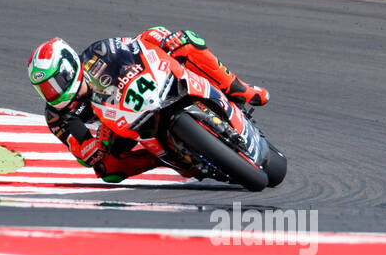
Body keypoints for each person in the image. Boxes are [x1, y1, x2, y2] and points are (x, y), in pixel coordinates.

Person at [27, 27, 269, 182]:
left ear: (69, 67)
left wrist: (162, 38)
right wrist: (96, 147)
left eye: (55, 83)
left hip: (146, 91)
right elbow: (82, 152)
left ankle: (239, 88)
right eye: (45, 89)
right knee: (107, 170)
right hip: (116, 128)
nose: (52, 92)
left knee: (186, 41)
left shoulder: (98, 52)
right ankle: (167, 159)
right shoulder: (57, 116)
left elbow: (137, 44)